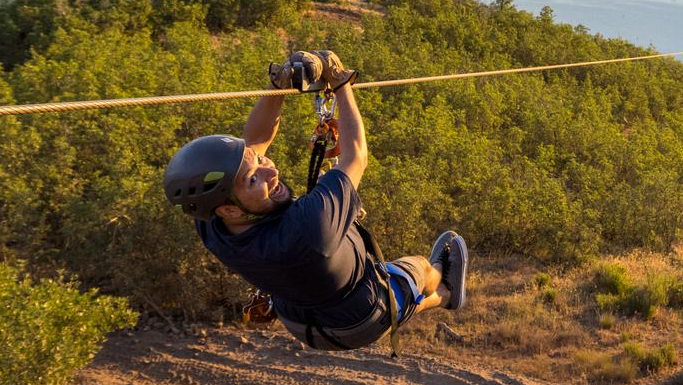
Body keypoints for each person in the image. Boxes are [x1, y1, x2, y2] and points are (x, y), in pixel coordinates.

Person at [163, 50, 469, 351]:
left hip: (299, 321)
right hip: (360, 319)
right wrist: (341, 84)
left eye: (259, 162)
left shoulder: (213, 222)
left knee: (384, 277)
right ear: (229, 207)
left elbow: (255, 142)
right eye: (254, 179)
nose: (271, 171)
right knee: (416, 268)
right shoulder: (308, 229)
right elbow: (356, 158)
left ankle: (443, 296)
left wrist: (277, 87)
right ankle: (443, 280)